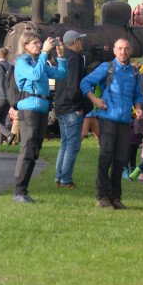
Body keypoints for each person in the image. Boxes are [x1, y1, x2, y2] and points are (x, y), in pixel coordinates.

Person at [81, 38, 143, 209]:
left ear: (131, 51)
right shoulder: (106, 68)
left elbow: (137, 95)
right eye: (120, 48)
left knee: (121, 161)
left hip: (124, 122)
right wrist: (95, 100)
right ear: (115, 51)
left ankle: (116, 197)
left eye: (127, 48)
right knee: (106, 158)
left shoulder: (135, 73)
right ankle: (102, 197)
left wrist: (138, 108)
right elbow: (85, 82)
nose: (123, 51)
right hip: (107, 120)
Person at [12, 31, 68, 203]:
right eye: (35, 43)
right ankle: (19, 191)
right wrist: (44, 53)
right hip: (29, 109)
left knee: (35, 150)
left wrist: (61, 57)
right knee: (28, 148)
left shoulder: (39, 61)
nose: (38, 45)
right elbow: (35, 75)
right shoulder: (22, 62)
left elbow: (61, 74)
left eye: (39, 42)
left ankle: (22, 190)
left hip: (42, 109)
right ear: (25, 45)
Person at [53, 30, 87, 188]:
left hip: (60, 105)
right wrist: (79, 106)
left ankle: (59, 178)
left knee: (65, 144)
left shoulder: (62, 56)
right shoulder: (75, 58)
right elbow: (74, 85)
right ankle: (66, 179)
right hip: (72, 107)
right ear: (75, 42)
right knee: (72, 145)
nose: (82, 43)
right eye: (80, 40)